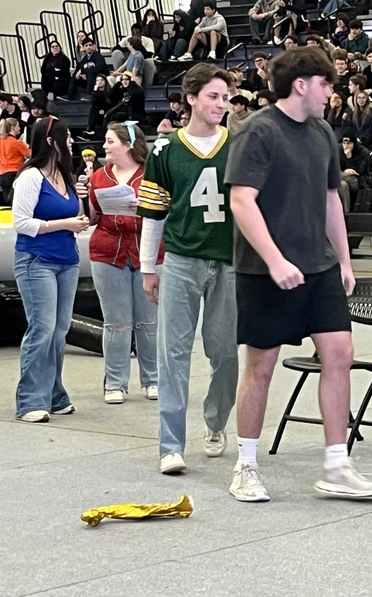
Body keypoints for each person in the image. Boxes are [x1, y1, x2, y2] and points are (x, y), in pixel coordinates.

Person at [224, 47, 372, 501]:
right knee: (261, 366)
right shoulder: (257, 131)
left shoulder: (323, 133)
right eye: (326, 84)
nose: (331, 93)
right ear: (302, 84)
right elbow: (241, 200)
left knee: (339, 353)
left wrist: (345, 260)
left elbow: (331, 198)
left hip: (319, 267)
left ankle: (337, 464)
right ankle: (247, 465)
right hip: (265, 271)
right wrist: (276, 260)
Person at [137, 63, 238, 476]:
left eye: (226, 96)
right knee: (171, 354)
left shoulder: (239, 144)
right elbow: (152, 213)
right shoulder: (164, 149)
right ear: (191, 99)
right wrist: (148, 266)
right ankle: (170, 444)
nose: (221, 103)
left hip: (230, 262)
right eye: (213, 96)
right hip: (179, 261)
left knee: (226, 353)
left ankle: (215, 423)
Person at [11, 116, 90, 422]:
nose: (71, 141)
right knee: (41, 330)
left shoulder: (65, 176)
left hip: (66, 262)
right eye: (66, 136)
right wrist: (64, 224)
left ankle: (55, 395)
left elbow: (78, 216)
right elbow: (22, 223)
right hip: (36, 261)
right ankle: (30, 400)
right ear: (50, 141)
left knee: (59, 331)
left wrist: (81, 213)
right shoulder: (31, 177)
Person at [86, 121, 162, 405]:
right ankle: (115, 383)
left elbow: (170, 211)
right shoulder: (98, 176)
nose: (104, 146)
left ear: (128, 145)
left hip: (149, 252)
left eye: (110, 142)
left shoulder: (153, 174)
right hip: (108, 252)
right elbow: (93, 218)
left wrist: (143, 208)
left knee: (148, 322)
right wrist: (85, 203)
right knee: (116, 322)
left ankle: (153, 379)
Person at [0, 118, 29, 204]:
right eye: (18, 126)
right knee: (18, 201)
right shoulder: (17, 143)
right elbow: (30, 155)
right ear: (13, 128)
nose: (20, 128)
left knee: (8, 201)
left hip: (2, 175)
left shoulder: (0, 142)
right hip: (14, 174)